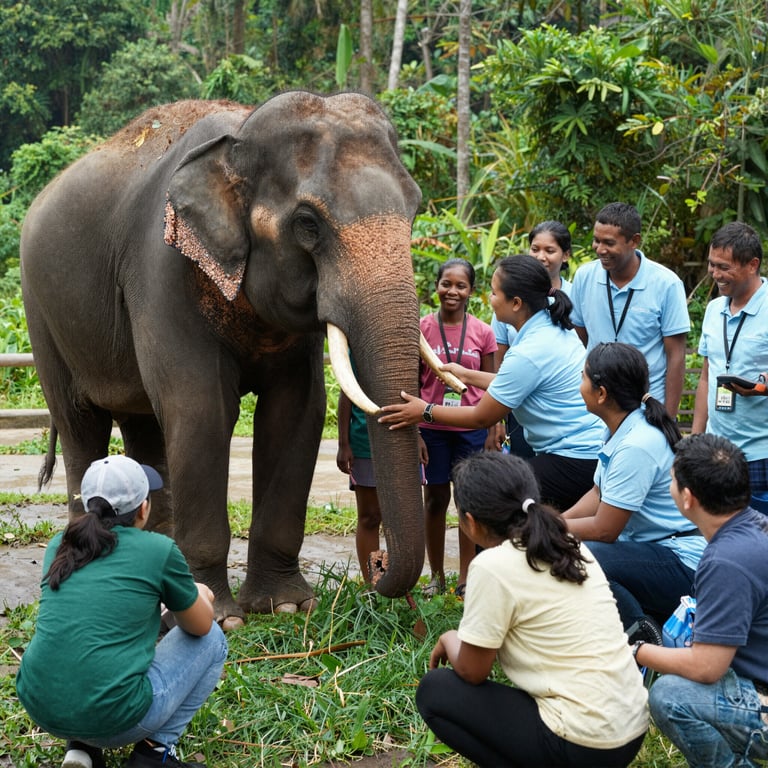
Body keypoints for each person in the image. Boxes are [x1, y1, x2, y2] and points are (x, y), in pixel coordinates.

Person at [415, 451, 648, 767]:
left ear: (470, 522)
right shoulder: (568, 544)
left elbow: (472, 670)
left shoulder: (491, 566)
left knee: (436, 691)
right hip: (630, 729)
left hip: (584, 743)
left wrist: (449, 638)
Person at [16, 455, 227, 768]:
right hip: (115, 718)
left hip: (41, 705)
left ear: (88, 506)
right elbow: (199, 626)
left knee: (86, 641)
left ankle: (81, 748)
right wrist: (199, 594)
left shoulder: (59, 545)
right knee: (213, 641)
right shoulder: (158, 549)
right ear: (143, 509)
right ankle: (152, 755)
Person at [380, 254, 604, 511]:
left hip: (575, 459)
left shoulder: (530, 350)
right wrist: (466, 374)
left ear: (516, 303)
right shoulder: (551, 328)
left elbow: (480, 417)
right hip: (586, 452)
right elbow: (516, 382)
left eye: (495, 293)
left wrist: (425, 411)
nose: (491, 300)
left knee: (486, 499)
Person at [634, 433, 768, 768]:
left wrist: (635, 651)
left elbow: (706, 668)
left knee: (671, 696)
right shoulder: (753, 527)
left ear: (688, 498)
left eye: (672, 480)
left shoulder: (726, 560)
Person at [562, 342, 706, 631]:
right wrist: (558, 521)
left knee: (587, 555)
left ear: (601, 394)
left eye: (583, 378)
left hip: (681, 562)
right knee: (569, 545)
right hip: (655, 549)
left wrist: (552, 530)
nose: (580, 385)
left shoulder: (637, 444)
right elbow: (598, 493)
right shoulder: (623, 426)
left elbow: (605, 529)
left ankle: (642, 632)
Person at [417, 257, 497, 596]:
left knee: (468, 504)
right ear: (436, 287)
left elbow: (497, 386)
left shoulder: (483, 332)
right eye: (446, 283)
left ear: (471, 291)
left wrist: (496, 427)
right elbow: (410, 381)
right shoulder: (420, 329)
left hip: (472, 427)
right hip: (432, 427)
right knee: (434, 501)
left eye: (460, 285)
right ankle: (436, 576)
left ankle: (466, 578)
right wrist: (415, 431)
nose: (452, 291)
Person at [569, 202, 690, 417]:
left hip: (646, 407)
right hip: (597, 407)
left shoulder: (666, 284)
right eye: (596, 241)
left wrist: (668, 418)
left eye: (609, 243)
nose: (600, 249)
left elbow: (676, 356)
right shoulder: (584, 277)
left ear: (634, 241)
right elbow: (579, 339)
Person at [692, 221, 768, 514]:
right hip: (717, 450)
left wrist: (762, 387)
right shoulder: (714, 309)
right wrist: (696, 438)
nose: (715, 274)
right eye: (712, 265)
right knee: (719, 532)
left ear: (752, 265)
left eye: (724, 267)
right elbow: (705, 376)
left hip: (760, 454)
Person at [491, 220, 573, 458]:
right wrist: (498, 417)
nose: (541, 256)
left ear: (565, 255)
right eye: (535, 249)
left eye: (550, 250)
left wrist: (426, 411)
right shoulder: (505, 299)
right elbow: (500, 361)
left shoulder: (572, 296)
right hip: (516, 402)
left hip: (555, 411)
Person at [336, 389, 383, 582]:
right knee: (371, 516)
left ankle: (399, 582)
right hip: (364, 442)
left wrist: (418, 434)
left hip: (401, 440)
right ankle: (376, 581)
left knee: (399, 520)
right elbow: (347, 393)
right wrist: (343, 443)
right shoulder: (356, 356)